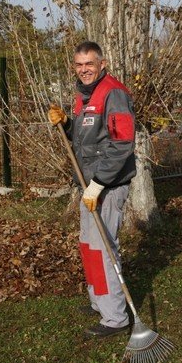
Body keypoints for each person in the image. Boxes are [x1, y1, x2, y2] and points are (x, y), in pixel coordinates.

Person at [47, 41, 136, 338]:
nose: (84, 69)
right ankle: (100, 300)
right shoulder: (83, 94)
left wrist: (98, 184)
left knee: (104, 248)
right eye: (79, 64)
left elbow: (122, 143)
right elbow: (88, 136)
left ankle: (115, 318)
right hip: (89, 187)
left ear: (102, 64)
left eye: (89, 64)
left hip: (108, 186)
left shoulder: (114, 93)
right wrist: (67, 124)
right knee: (89, 246)